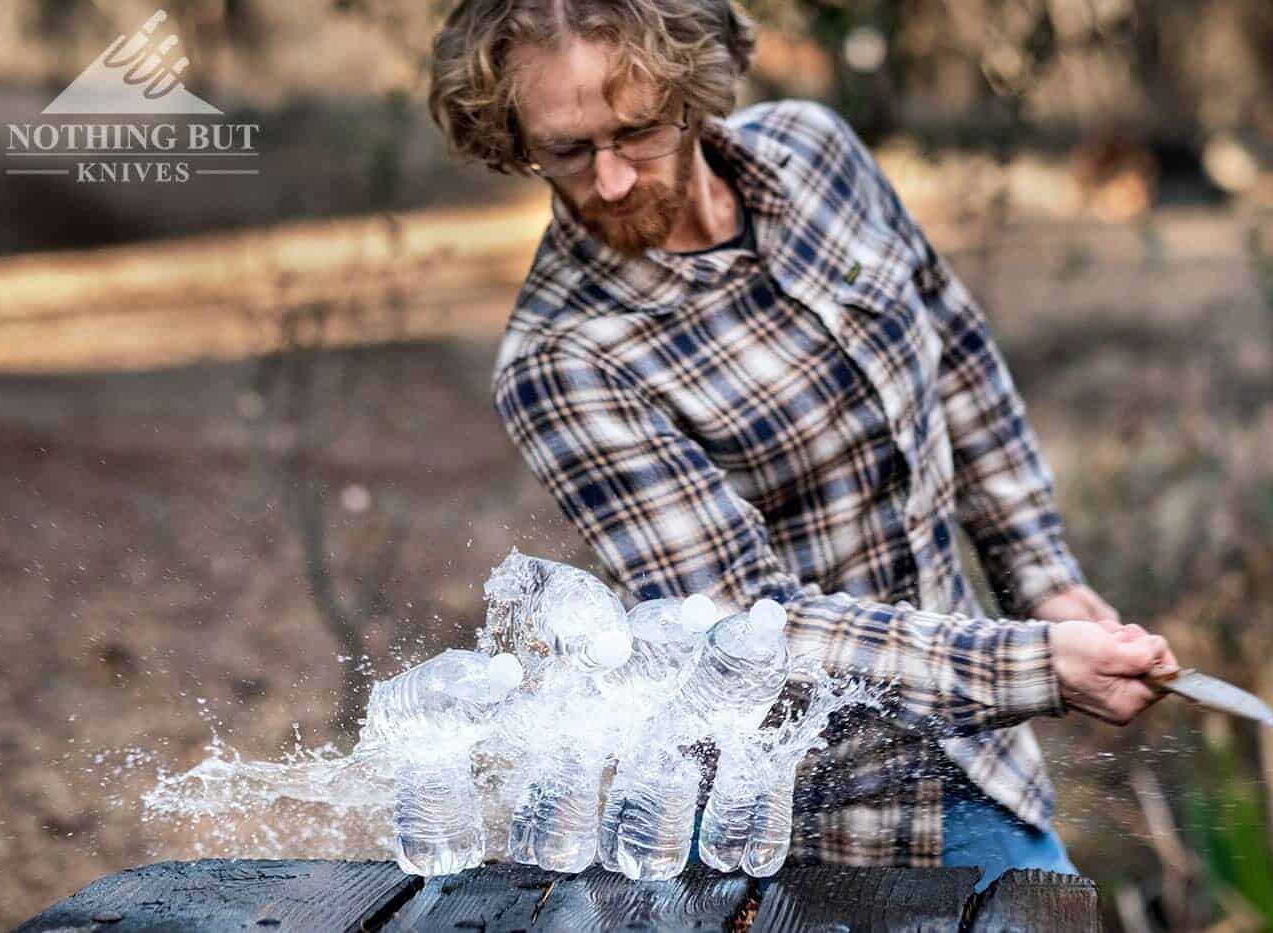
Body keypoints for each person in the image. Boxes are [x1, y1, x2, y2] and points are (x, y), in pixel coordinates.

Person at [427, 0, 1180, 887]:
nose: (613, 180)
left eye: (637, 132)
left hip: (985, 760)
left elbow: (961, 368)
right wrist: (1034, 664)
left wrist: (1042, 579)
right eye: (564, 150)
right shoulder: (563, 361)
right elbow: (749, 634)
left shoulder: (816, 153)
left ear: (694, 89)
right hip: (807, 838)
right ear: (511, 136)